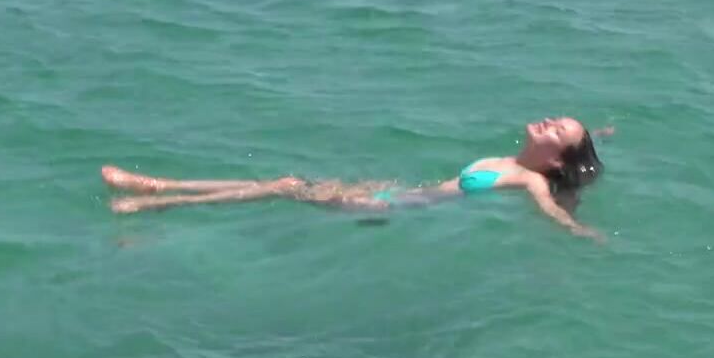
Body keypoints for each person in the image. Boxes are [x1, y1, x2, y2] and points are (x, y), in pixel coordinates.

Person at [101, 117, 608, 240]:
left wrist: (581, 232)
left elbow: (551, 210)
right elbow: (579, 160)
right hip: (394, 195)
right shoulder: (509, 159)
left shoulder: (529, 180)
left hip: (390, 208)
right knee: (285, 184)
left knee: (283, 185)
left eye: (556, 130)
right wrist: (600, 134)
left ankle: (158, 196)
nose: (547, 122)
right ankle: (160, 190)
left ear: (555, 160)